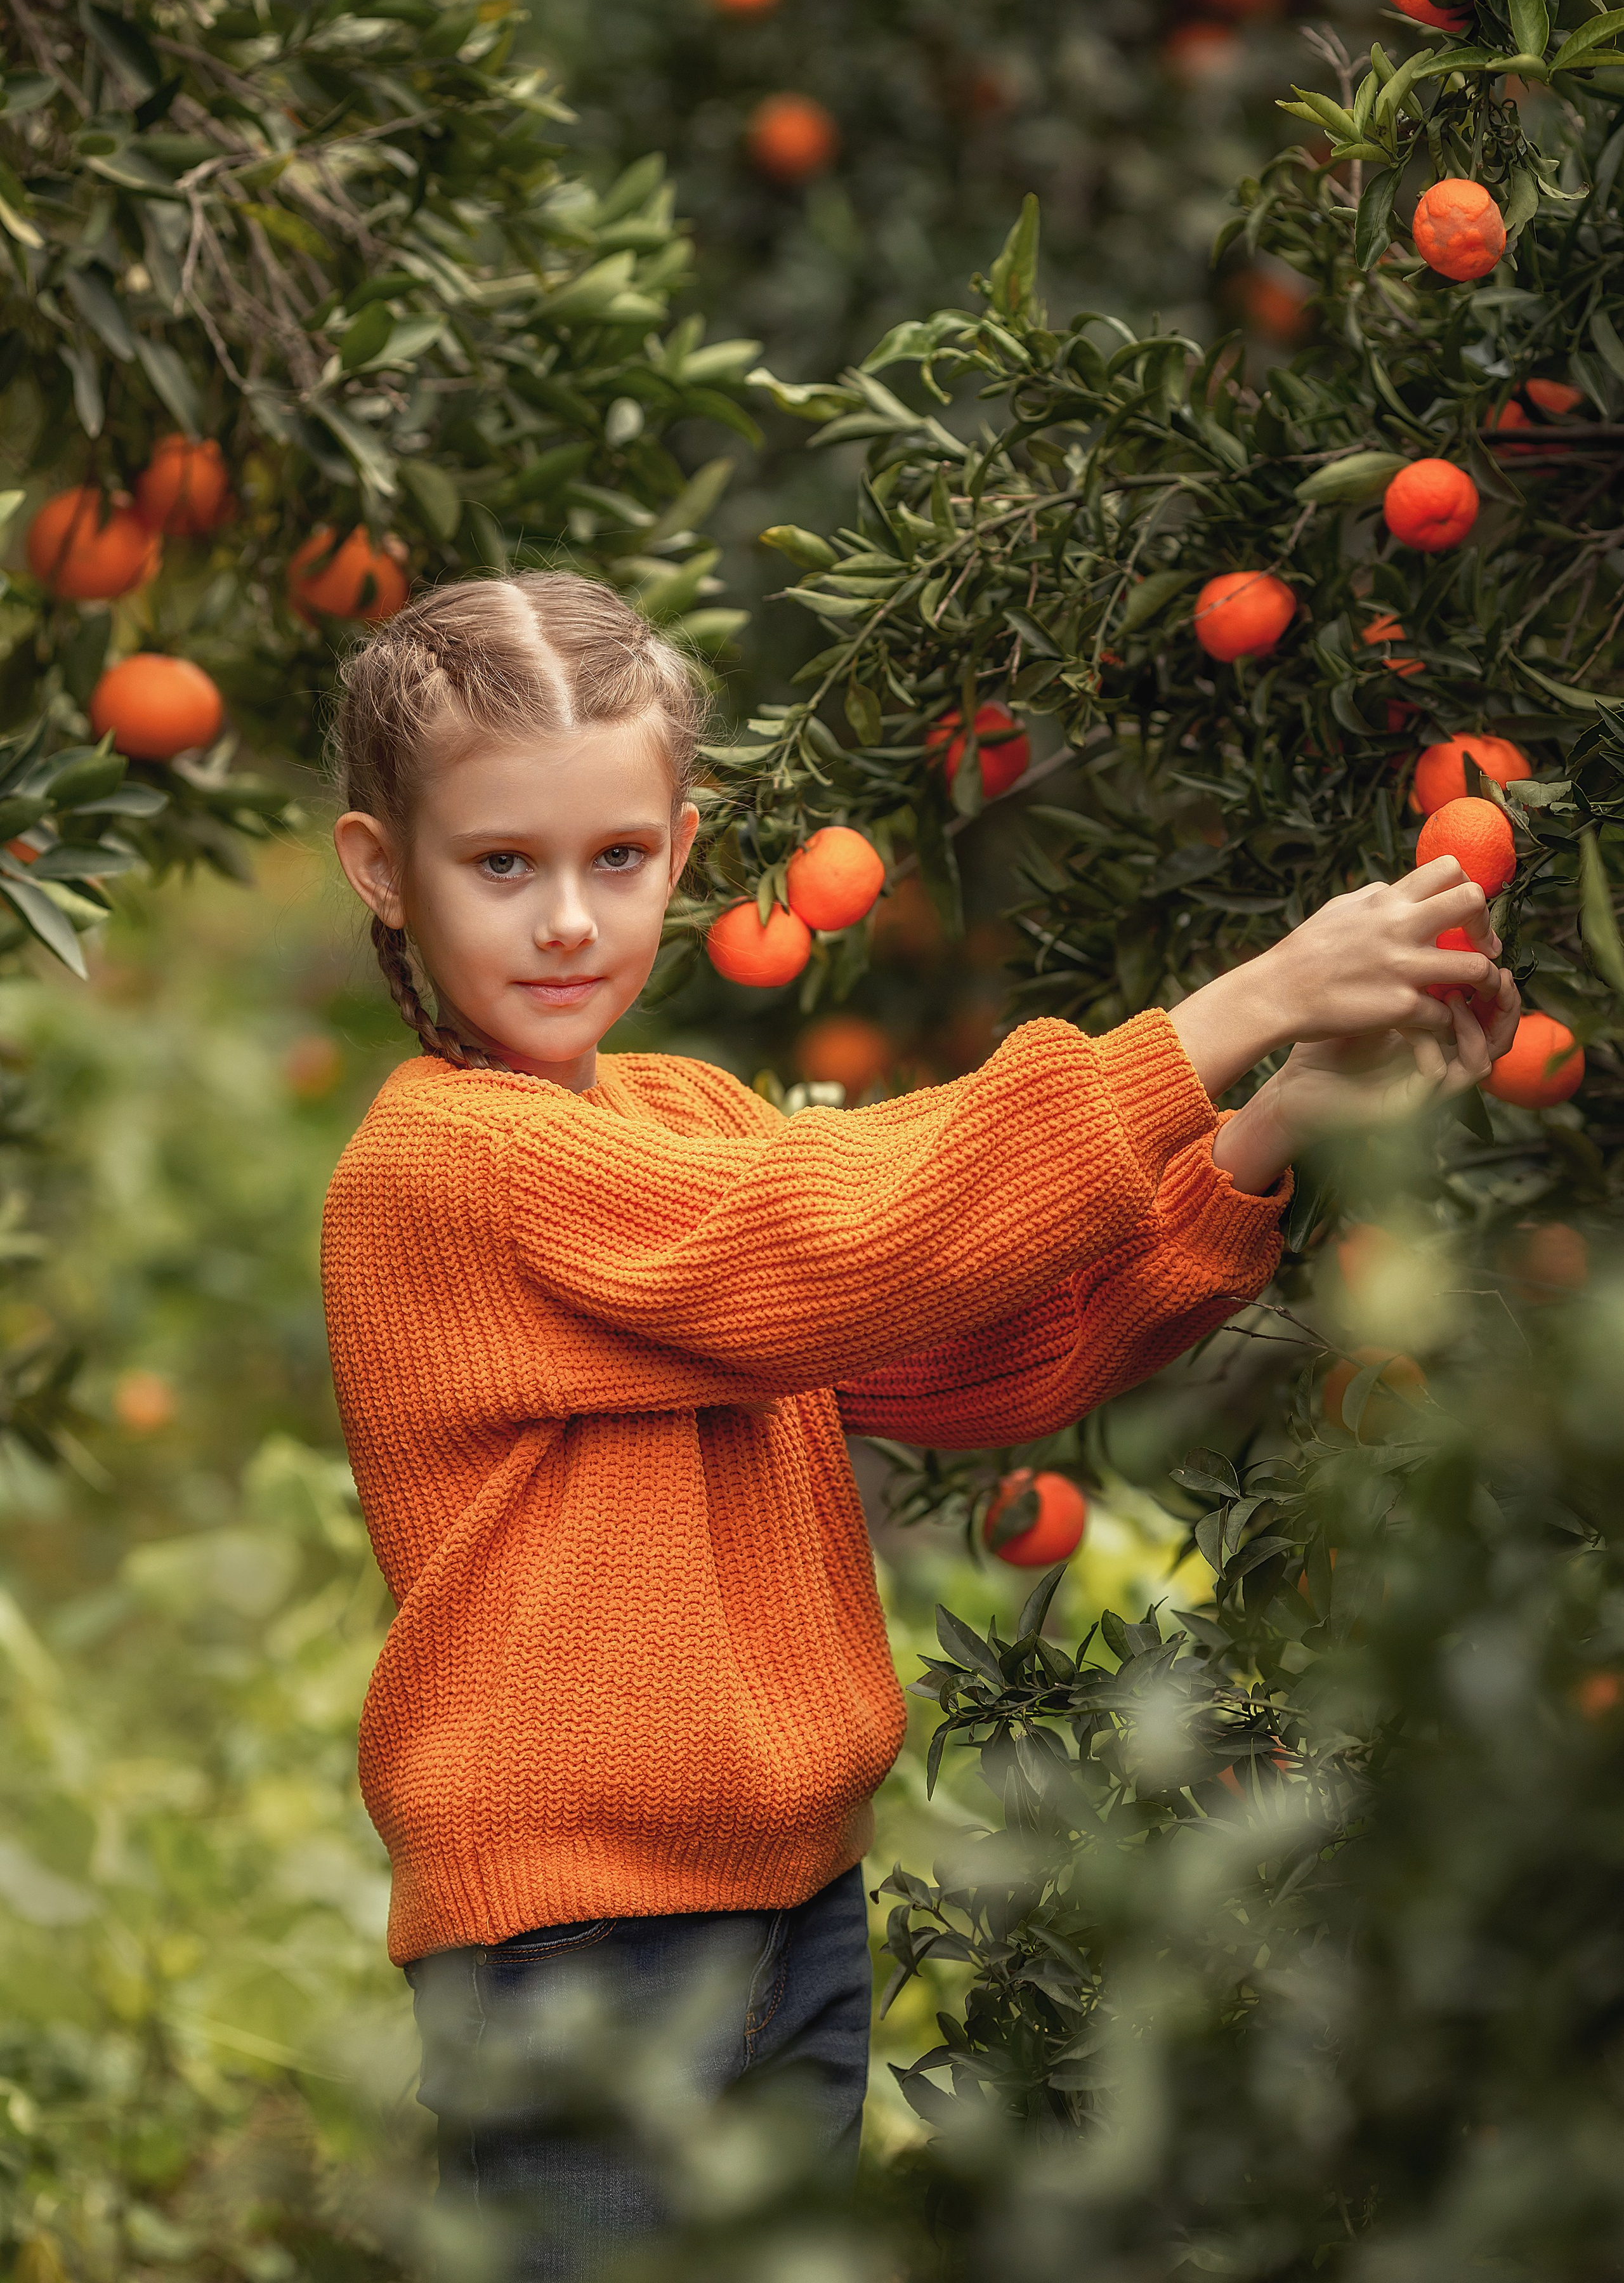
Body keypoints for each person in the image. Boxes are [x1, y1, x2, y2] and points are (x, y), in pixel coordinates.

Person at [320, 568, 1517, 2279]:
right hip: (580, 1949)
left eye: (618, 859)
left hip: (788, 1908)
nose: (569, 921)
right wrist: (1231, 1011)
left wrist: (1261, 1131)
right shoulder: (451, 1167)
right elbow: (837, 1232)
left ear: (684, 838)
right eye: (501, 864)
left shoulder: (677, 1117)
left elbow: (950, 1352)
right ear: (386, 869)